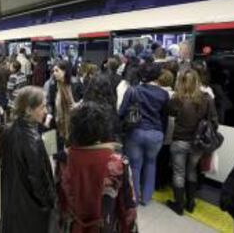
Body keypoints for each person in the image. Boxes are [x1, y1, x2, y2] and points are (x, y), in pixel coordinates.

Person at [58, 102, 138, 233]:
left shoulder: (62, 160)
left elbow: (60, 201)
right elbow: (128, 206)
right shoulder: (118, 162)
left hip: (73, 226)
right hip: (105, 226)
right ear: (102, 129)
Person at [0, 86, 56, 233]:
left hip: (11, 199)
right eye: (42, 107)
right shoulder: (33, 141)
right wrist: (50, 203)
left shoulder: (8, 130)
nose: (45, 111)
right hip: (30, 207)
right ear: (29, 110)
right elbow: (38, 180)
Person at [166, 69, 218, 215]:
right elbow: (214, 122)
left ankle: (179, 205)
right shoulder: (207, 98)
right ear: (197, 81)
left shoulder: (177, 98)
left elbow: (168, 111)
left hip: (180, 141)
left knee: (179, 172)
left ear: (181, 82)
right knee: (192, 171)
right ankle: (190, 203)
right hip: (197, 143)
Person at [119, 62, 169, 205]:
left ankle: (134, 197)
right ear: (158, 75)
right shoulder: (164, 94)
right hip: (156, 134)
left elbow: (122, 112)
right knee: (151, 164)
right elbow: (164, 116)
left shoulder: (133, 90)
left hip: (136, 132)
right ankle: (146, 198)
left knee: (135, 165)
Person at [47, 60, 76, 158]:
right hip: (57, 123)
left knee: (71, 154)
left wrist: (77, 105)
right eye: (53, 71)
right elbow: (50, 105)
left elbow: (82, 101)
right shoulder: (53, 86)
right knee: (56, 154)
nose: (54, 73)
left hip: (72, 124)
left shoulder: (75, 86)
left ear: (65, 71)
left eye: (57, 70)